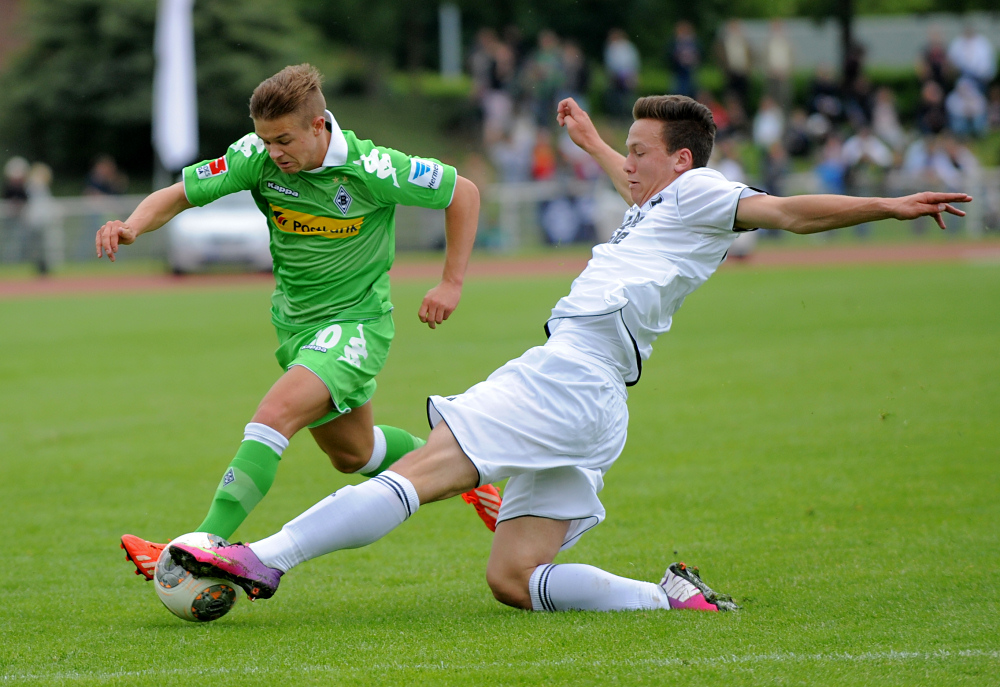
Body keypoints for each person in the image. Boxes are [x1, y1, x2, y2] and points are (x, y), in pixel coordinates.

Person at [169, 94, 970, 614]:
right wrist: (589, 139)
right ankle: (672, 600)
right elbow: (628, 183)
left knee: (427, 467)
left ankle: (261, 557)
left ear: (681, 161)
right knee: (514, 579)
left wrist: (888, 204)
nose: (628, 163)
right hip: (599, 404)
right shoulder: (660, 203)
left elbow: (788, 211)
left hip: (571, 373)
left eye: (640, 149)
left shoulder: (701, 194)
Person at [98, 64, 499, 581]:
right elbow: (178, 193)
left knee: (274, 415)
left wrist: (451, 282)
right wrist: (131, 225)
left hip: (355, 325)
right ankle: (466, 474)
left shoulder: (371, 166)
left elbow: (461, 192)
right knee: (356, 453)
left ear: (318, 126)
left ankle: (198, 547)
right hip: (295, 327)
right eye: (266, 140)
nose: (273, 152)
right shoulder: (256, 156)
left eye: (283, 139)